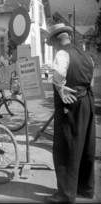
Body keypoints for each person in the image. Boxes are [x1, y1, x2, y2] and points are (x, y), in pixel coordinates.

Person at [44, 23, 96, 203]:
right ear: (68, 36)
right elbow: (92, 82)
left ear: (55, 41)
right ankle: (85, 189)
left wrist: (60, 89)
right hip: (87, 103)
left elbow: (58, 74)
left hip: (71, 104)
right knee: (85, 146)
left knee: (66, 147)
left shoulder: (62, 53)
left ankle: (65, 195)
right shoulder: (86, 55)